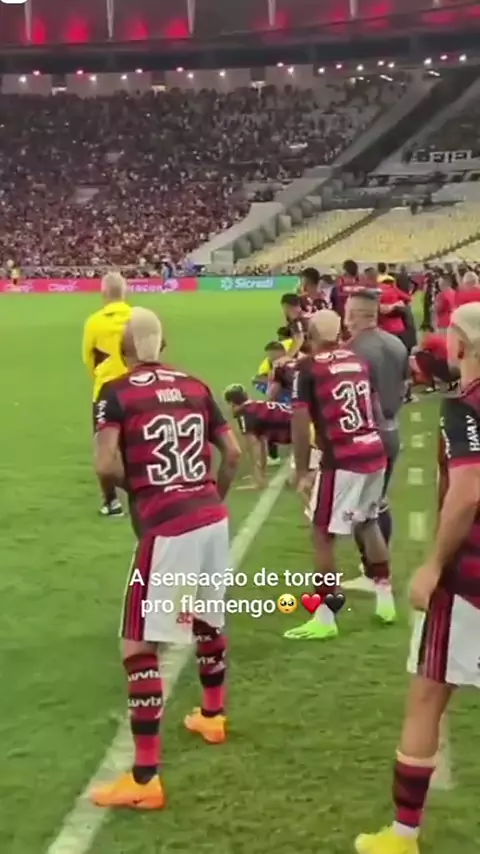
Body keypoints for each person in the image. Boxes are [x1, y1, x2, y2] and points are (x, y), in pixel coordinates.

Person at [90, 308, 241, 810]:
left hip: (167, 526)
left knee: (138, 644)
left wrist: (138, 492)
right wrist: (210, 495)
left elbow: (105, 463)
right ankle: (213, 716)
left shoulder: (115, 393)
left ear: (123, 350)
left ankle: (145, 777)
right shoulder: (196, 385)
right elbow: (233, 454)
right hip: (211, 516)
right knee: (207, 617)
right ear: (165, 344)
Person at [355, 302, 480, 854]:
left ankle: (403, 834)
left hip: (470, 579)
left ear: (460, 345)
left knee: (427, 695)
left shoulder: (465, 407)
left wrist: (432, 565)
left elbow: (468, 491)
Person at [285, 310, 390, 641]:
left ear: (312, 336)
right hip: (373, 448)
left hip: (342, 458)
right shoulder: (358, 361)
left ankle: (325, 616)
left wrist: (302, 468)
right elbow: (375, 407)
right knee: (368, 521)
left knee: (322, 534)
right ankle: (386, 602)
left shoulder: (308, 368)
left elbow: (300, 420)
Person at [342, 291, 409, 623]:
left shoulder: (351, 350)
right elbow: (404, 387)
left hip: (366, 433)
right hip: (392, 429)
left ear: (354, 314)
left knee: (361, 510)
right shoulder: (396, 344)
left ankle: (373, 572)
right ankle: (375, 568)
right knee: (378, 502)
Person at [82, 271, 132, 516]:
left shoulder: (94, 322)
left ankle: (111, 502)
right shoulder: (137, 317)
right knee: (140, 442)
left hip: (107, 390)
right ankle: (150, 490)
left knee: (105, 447)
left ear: (103, 293)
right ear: (125, 292)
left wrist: (101, 377)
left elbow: (88, 357)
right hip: (137, 386)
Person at [224, 384, 292, 488]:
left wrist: (258, 479)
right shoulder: (255, 407)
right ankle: (260, 478)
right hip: (304, 423)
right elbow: (262, 445)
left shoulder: (245, 414)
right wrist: (261, 474)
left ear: (232, 403)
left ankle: (259, 481)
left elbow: (254, 448)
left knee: (299, 478)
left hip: (302, 428)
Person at [280, 293, 310, 358]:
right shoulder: (302, 314)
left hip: (309, 352)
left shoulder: (297, 319)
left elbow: (299, 339)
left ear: (285, 306)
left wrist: (287, 357)